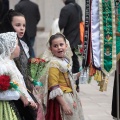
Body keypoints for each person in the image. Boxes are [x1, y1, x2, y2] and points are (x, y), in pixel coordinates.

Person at [0, 9, 44, 120]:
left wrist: (32, 79)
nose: (22, 28)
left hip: (22, 88)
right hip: (12, 95)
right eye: (17, 25)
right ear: (9, 25)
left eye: (24, 25)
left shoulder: (23, 45)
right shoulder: (5, 46)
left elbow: (24, 68)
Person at [41, 33, 84, 120]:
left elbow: (68, 77)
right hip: (61, 99)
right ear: (51, 49)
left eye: (61, 44)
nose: (59, 47)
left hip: (69, 96)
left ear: (66, 45)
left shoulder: (64, 60)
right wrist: (64, 105)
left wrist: (80, 73)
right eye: (55, 46)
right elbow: (53, 86)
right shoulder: (53, 64)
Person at [0, 32, 37, 120]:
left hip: (17, 103)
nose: (19, 47)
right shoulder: (3, 66)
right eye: (17, 45)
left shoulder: (11, 62)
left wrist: (28, 99)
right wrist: (19, 95)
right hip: (7, 106)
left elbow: (20, 85)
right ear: (10, 47)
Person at [59, 0, 83, 92]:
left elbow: (61, 24)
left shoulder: (66, 9)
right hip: (77, 39)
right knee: (75, 61)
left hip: (68, 39)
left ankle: (67, 83)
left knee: (66, 61)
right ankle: (76, 84)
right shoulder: (78, 7)